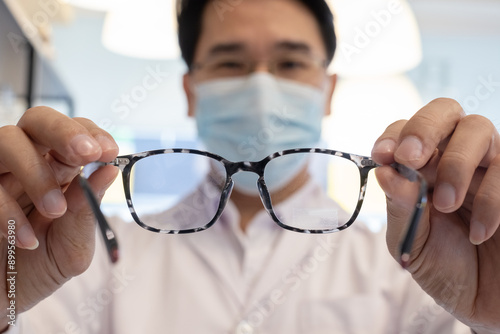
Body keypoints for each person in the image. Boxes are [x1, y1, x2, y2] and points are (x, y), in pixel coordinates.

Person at [1, 0, 499, 333]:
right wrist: (4, 290)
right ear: (191, 92)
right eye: (231, 63)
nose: (261, 86)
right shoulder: (84, 264)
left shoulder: (409, 271)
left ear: (327, 92)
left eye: (289, 63)